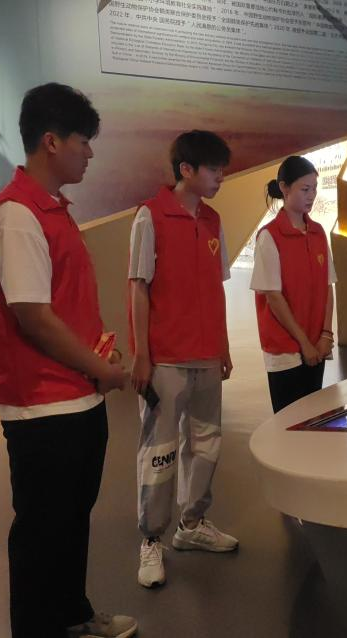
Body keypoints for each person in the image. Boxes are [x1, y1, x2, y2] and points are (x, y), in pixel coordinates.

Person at [0, 83, 136, 638]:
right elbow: (34, 318)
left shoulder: (52, 210)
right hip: (42, 404)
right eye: (82, 141)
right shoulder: (17, 215)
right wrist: (102, 369)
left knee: (71, 520)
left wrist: (99, 359)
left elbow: (64, 307)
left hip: (75, 395)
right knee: (43, 530)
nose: (89, 152)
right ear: (51, 141)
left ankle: (72, 616)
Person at [128, 130, 238, 590]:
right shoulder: (149, 216)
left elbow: (216, 287)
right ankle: (151, 538)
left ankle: (191, 524)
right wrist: (142, 354)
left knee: (206, 443)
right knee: (160, 450)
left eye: (221, 170)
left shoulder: (213, 220)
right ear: (186, 170)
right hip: (167, 359)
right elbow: (138, 286)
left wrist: (223, 345)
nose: (220, 177)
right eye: (213, 169)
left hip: (207, 356)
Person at [250, 155, 338, 413]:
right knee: (288, 420)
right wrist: (304, 343)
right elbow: (273, 297)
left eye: (314, 189)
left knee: (313, 418)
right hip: (284, 348)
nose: (312, 196)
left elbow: (328, 286)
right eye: (305, 189)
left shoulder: (318, 232)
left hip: (316, 342)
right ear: (284, 188)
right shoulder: (269, 236)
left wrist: (326, 334)